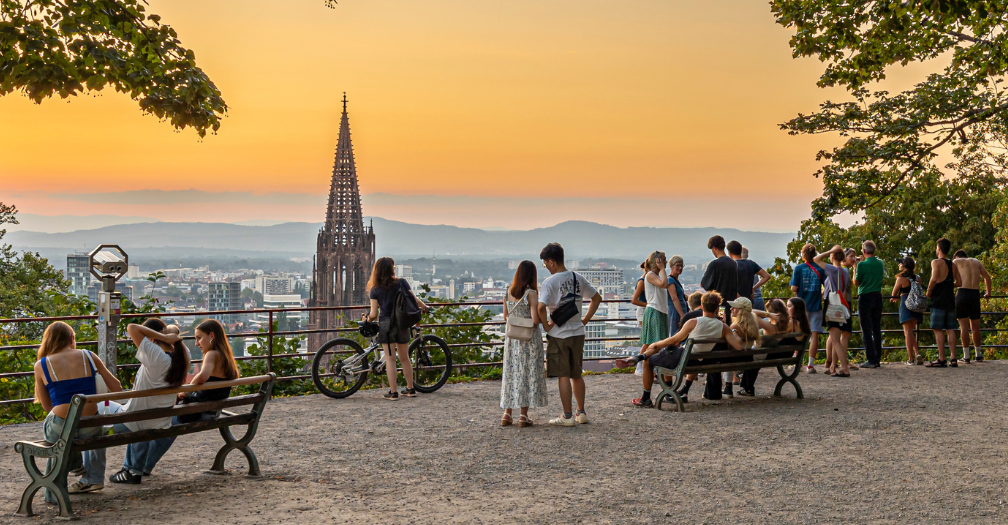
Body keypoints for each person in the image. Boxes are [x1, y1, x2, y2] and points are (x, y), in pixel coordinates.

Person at [130, 319, 241, 479]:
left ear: (211, 336)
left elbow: (203, 376)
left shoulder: (211, 354)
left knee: (164, 423)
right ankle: (145, 465)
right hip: (213, 411)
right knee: (167, 423)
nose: (196, 343)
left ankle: (143, 465)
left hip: (201, 412)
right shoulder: (225, 357)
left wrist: (186, 390)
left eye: (199, 338)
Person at [85, 319, 188, 487]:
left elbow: (132, 328)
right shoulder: (182, 355)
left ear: (153, 339)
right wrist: (167, 335)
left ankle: (96, 474)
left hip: (135, 420)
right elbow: (172, 330)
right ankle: (134, 468)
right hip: (159, 418)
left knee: (93, 407)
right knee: (128, 410)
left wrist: (162, 336)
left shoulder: (157, 358)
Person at [33, 322, 123, 500]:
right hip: (90, 426)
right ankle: (79, 466)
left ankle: (73, 466)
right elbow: (117, 388)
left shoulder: (41, 365)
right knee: (73, 433)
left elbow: (46, 406)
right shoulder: (88, 356)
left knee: (57, 434)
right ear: (71, 338)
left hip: (61, 427)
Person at [614, 291, 744, 407]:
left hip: (682, 359)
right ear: (717, 308)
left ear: (702, 306)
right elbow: (738, 346)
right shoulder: (723, 327)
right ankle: (639, 357)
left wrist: (656, 344)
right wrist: (733, 330)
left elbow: (674, 340)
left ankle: (645, 397)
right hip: (698, 361)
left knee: (650, 360)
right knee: (666, 349)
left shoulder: (693, 322)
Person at [537, 242, 602, 426]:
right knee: (576, 374)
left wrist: (546, 326)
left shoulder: (550, 282)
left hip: (559, 334)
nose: (546, 267)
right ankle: (581, 412)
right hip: (577, 333)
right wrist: (585, 320)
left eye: (545, 264)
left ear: (551, 262)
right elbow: (597, 298)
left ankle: (567, 416)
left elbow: (541, 307)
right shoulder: (578, 278)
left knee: (563, 375)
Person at [363, 257, 430, 399]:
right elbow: (413, 300)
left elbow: (374, 314)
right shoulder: (401, 283)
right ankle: (410, 388)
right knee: (405, 358)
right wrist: (424, 307)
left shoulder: (375, 289)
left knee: (390, 359)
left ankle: (393, 392)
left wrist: (366, 319)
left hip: (386, 326)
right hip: (402, 323)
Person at [500, 260, 550, 427]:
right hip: (528, 340)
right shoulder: (531, 294)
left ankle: (507, 414)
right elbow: (535, 320)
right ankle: (523, 416)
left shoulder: (508, 292)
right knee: (526, 374)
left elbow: (506, 317)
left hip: (512, 340)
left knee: (511, 373)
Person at [725, 241, 769, 387]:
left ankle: (734, 377)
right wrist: (753, 288)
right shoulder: (751, 264)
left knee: (735, 338)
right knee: (748, 337)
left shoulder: (731, 266)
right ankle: (739, 373)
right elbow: (766, 276)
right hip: (749, 306)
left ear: (730, 252)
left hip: (737, 306)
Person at [815, 245, 852, 377]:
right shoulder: (845, 271)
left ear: (832, 257)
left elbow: (816, 259)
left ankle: (844, 367)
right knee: (836, 338)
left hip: (832, 304)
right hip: (842, 304)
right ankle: (833, 367)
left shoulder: (832, 269)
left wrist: (831, 250)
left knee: (835, 339)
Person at [925, 238, 962, 367]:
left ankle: (941, 358)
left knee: (938, 329)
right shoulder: (953, 264)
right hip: (950, 299)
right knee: (950, 328)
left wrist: (929, 290)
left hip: (939, 299)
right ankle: (953, 358)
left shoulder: (936, 262)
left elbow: (934, 277)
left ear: (939, 249)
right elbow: (959, 282)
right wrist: (948, 283)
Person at [953, 250, 993, 363]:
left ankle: (966, 356)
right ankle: (978, 354)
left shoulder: (956, 261)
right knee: (975, 327)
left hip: (962, 293)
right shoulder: (976, 261)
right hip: (975, 294)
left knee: (963, 327)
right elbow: (987, 277)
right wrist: (988, 293)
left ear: (956, 256)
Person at [790, 243, 824, 373]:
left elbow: (794, 287)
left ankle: (797, 362)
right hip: (816, 305)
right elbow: (825, 286)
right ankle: (811, 365)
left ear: (803, 255)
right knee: (814, 334)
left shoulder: (799, 268)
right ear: (814, 254)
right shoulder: (820, 269)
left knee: (799, 333)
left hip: (801, 306)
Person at [852, 240, 884, 369]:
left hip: (865, 297)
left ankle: (871, 359)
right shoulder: (880, 263)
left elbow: (856, 282)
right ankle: (877, 357)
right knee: (876, 328)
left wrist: (855, 268)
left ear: (864, 251)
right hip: (878, 296)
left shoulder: (861, 265)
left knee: (866, 329)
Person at [722, 297, 762, 398]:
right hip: (748, 357)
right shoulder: (753, 325)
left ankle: (728, 388)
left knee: (726, 357)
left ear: (741, 311)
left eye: (734, 307)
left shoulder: (734, 327)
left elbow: (732, 345)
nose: (731, 309)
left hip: (735, 357)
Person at [890, 257, 924, 365]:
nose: (898, 265)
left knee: (907, 333)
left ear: (904, 266)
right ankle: (917, 353)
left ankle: (910, 358)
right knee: (910, 332)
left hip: (906, 303)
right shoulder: (917, 278)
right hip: (917, 305)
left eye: (900, 264)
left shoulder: (901, 278)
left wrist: (895, 297)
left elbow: (893, 293)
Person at [700, 235, 738, 325]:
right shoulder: (733, 263)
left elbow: (705, 284)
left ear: (714, 248)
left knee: (720, 325)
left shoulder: (714, 264)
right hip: (732, 305)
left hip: (719, 306)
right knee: (730, 327)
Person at [641, 251, 671, 356]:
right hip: (654, 310)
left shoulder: (656, 276)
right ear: (657, 261)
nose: (665, 261)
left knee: (658, 341)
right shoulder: (650, 275)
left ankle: (646, 363)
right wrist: (662, 269)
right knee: (651, 342)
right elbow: (664, 285)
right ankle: (640, 363)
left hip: (660, 310)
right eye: (663, 259)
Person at [667, 255, 689, 336]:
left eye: (681, 265)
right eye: (677, 265)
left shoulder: (675, 280)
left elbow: (682, 296)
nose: (680, 268)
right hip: (675, 313)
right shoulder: (670, 280)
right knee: (676, 335)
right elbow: (674, 298)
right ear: (671, 266)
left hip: (680, 312)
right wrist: (682, 315)